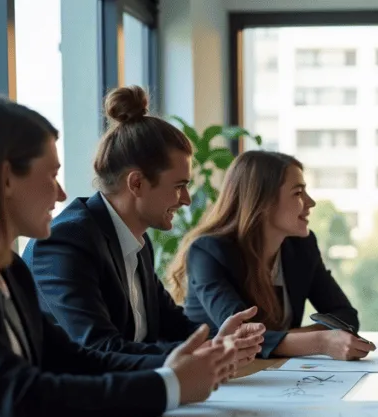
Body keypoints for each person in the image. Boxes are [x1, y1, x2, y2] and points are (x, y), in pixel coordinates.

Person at [0, 97, 236, 417]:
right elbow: (19, 396)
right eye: (51, 175)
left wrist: (182, 366)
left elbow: (76, 359)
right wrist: (169, 385)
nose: (61, 193)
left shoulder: (9, 268)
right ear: (7, 178)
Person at [22, 86, 264, 366]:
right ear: (136, 183)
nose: (186, 200)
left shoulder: (136, 241)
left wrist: (218, 343)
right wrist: (209, 353)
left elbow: (173, 326)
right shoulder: (65, 242)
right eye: (179, 186)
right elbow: (100, 348)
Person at [168, 150, 372, 360]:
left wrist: (285, 338)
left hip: (273, 374)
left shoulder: (301, 247)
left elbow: (345, 317)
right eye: (298, 193)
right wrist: (321, 341)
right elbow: (242, 334)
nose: (310, 202)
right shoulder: (208, 252)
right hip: (215, 379)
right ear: (263, 202)